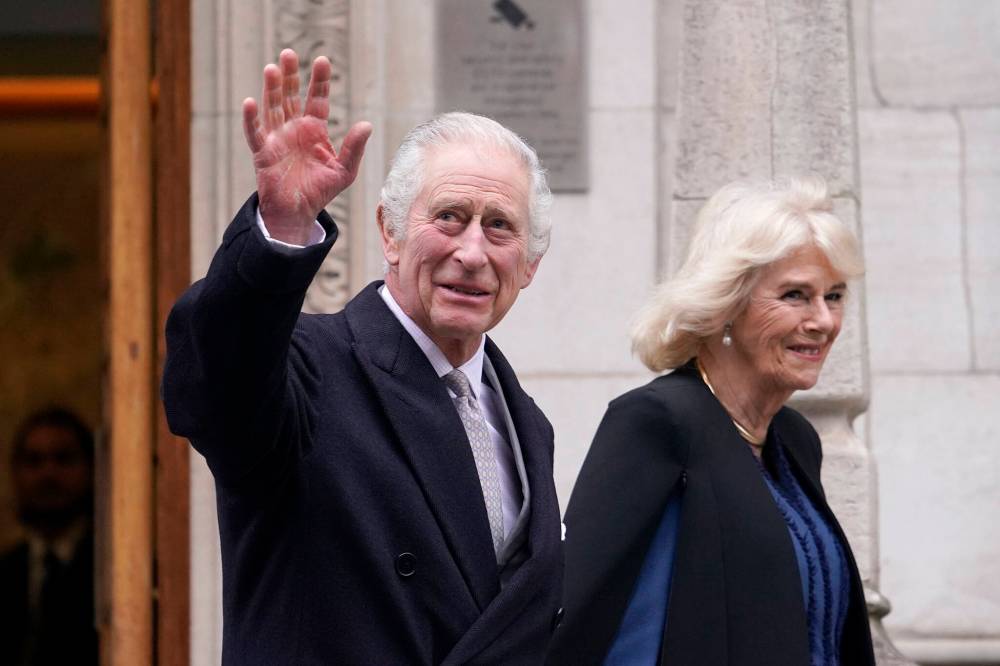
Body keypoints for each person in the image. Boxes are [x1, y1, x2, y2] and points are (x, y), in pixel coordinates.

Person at [162, 49, 563, 664]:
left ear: (529, 265)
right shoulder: (309, 371)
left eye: (500, 227)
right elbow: (213, 384)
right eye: (449, 217)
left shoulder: (526, 424)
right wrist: (281, 233)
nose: (473, 252)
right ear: (390, 232)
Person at [547, 178, 876, 666]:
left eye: (834, 295)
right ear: (727, 303)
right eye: (795, 295)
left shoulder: (794, 438)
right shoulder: (657, 422)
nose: (824, 321)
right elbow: (594, 621)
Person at [0, 407, 98, 666]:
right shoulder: (6, 572)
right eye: (34, 460)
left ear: (91, 469)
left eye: (63, 459)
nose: (48, 473)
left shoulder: (115, 574)